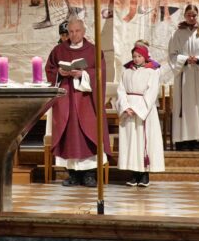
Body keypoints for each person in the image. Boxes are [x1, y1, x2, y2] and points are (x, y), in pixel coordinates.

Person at [44, 16, 111, 187]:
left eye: (77, 31)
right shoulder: (59, 50)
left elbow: (100, 72)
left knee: (89, 133)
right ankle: (72, 174)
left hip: (86, 101)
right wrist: (60, 72)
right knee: (68, 135)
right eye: (71, 32)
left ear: (84, 31)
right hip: (66, 100)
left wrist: (84, 74)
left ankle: (89, 174)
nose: (74, 35)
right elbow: (50, 69)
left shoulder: (93, 50)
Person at [168, 4, 199, 151]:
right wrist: (184, 59)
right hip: (184, 75)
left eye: (194, 15)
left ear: (197, 16)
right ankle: (184, 141)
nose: (191, 17)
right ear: (184, 15)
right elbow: (172, 55)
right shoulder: (177, 34)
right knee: (185, 107)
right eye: (189, 15)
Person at [116, 44, 164, 187]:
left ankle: (144, 175)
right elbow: (121, 90)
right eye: (134, 56)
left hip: (144, 111)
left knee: (143, 142)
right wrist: (125, 107)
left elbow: (152, 92)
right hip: (128, 111)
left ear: (145, 57)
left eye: (139, 56)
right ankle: (134, 174)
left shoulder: (152, 72)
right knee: (131, 142)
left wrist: (137, 109)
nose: (136, 59)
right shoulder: (126, 72)